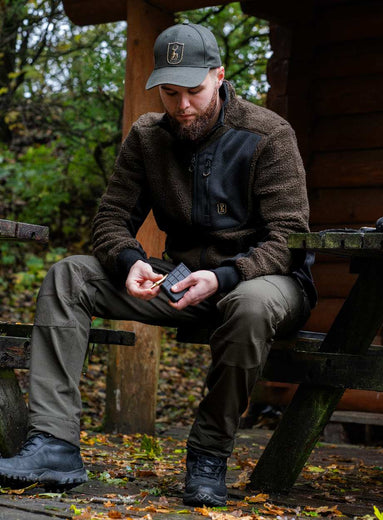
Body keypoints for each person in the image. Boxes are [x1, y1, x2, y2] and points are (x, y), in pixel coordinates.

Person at [0, 22, 316, 506]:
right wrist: (128, 261)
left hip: (265, 281)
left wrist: (226, 275)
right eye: (170, 93)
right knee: (69, 275)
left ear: (219, 75)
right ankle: (55, 445)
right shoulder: (147, 137)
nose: (182, 105)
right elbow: (110, 218)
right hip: (183, 280)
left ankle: (208, 456)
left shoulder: (268, 135)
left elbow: (288, 239)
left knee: (249, 305)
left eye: (193, 90)